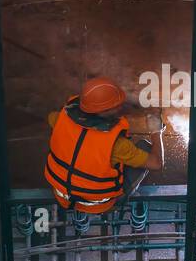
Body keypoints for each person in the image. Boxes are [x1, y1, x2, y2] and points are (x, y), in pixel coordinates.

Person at [44, 76, 164, 215]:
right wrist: (156, 131)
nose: (120, 107)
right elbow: (157, 164)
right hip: (97, 204)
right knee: (145, 147)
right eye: (116, 106)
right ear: (105, 111)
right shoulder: (118, 145)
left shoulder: (58, 119)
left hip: (61, 194)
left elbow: (54, 118)